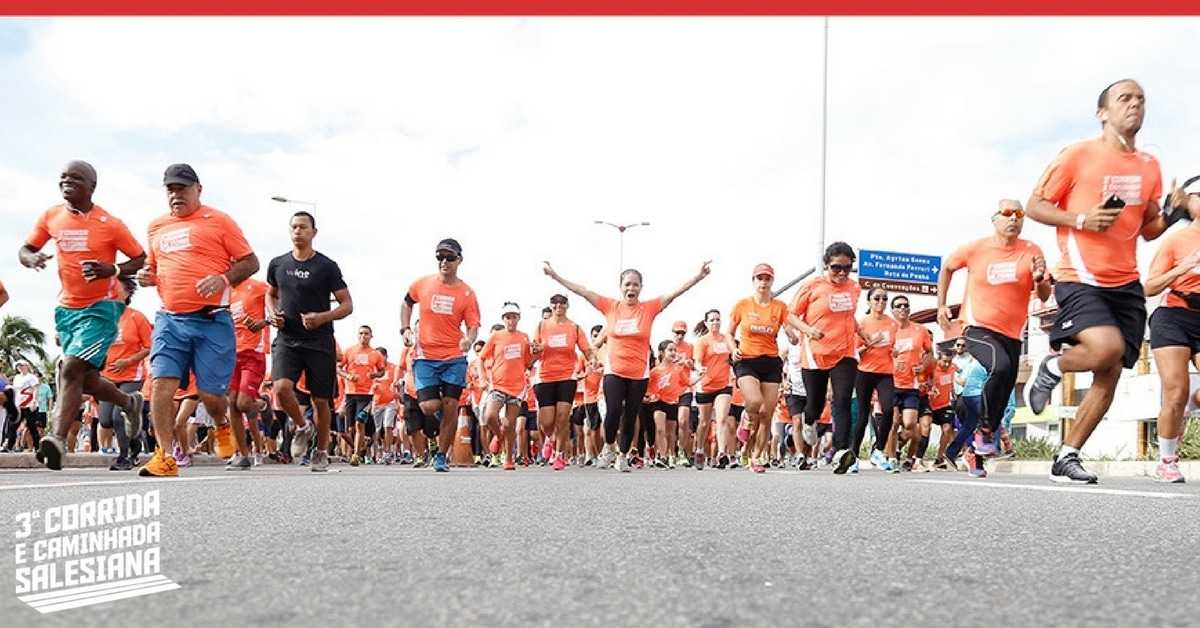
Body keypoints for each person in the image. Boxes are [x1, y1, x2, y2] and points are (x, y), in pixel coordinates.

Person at [1024, 79, 1170, 484]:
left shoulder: (1148, 166)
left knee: (1110, 373)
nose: (1135, 104)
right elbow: (1035, 205)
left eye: (1141, 98)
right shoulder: (1078, 156)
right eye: (1125, 98)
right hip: (1081, 276)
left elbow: (1149, 227)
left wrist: (1174, 213)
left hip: (1126, 281)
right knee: (1107, 348)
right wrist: (1081, 219)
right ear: (1102, 112)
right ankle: (1053, 364)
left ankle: (1067, 456)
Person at [19, 160, 147, 471]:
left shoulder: (110, 224)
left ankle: (57, 441)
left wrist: (112, 269)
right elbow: (25, 248)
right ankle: (129, 403)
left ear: (92, 186)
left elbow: (141, 258)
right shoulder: (52, 216)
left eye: (76, 178)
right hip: (66, 308)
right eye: (63, 176)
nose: (67, 181)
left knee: (70, 368)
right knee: (86, 380)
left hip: (101, 309)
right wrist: (31, 257)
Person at [135, 163, 260, 477]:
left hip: (212, 320)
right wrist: (146, 276)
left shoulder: (219, 221)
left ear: (198, 190)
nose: (176, 194)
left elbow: (251, 262)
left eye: (182, 188)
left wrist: (223, 278)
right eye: (170, 189)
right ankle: (164, 456)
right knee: (162, 385)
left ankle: (220, 424)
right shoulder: (156, 227)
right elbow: (153, 267)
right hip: (169, 320)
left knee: (212, 396)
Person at [544, 260, 710, 472]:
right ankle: (609, 447)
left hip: (638, 374)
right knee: (613, 411)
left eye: (635, 285)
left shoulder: (648, 309)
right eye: (627, 284)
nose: (631, 288)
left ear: (641, 288)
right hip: (614, 370)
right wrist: (556, 276)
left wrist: (697, 277)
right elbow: (583, 291)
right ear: (620, 287)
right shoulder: (610, 306)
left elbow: (673, 294)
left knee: (630, 416)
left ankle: (623, 455)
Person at [936, 199, 1052, 476]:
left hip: (1012, 333)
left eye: (1020, 214)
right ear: (995, 219)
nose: (1014, 218)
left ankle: (974, 453)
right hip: (977, 327)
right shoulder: (975, 248)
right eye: (1008, 213)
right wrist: (941, 304)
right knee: (998, 367)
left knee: (1002, 393)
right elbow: (947, 267)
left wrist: (1039, 279)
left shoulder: (1031, 250)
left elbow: (1045, 295)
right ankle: (986, 431)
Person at [265, 211, 352, 473]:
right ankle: (303, 426)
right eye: (293, 227)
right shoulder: (277, 264)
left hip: (319, 340)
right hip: (287, 339)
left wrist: (322, 317)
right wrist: (273, 314)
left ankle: (322, 451)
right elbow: (271, 295)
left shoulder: (327, 266)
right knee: (280, 388)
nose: (297, 231)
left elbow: (347, 305)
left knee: (320, 400)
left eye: (303, 227)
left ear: (314, 232)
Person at [788, 241, 872, 474]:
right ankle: (808, 420)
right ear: (826, 265)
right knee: (815, 404)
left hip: (845, 352)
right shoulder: (813, 286)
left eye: (847, 268)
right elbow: (791, 315)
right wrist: (808, 331)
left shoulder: (854, 289)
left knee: (842, 400)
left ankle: (843, 450)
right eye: (836, 268)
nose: (842, 273)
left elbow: (847, 317)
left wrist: (860, 331)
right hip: (816, 353)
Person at [400, 238, 482, 473]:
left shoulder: (467, 293)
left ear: (459, 260)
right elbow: (406, 303)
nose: (444, 262)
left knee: (451, 404)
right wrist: (405, 328)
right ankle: (443, 417)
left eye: (449, 257)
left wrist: (469, 339)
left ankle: (440, 456)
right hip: (425, 356)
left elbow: (473, 325)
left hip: (454, 357)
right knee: (428, 406)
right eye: (440, 257)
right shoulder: (423, 284)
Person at [1144, 180, 1200, 483]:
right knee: (1175, 392)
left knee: (1184, 399)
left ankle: (1189, 407)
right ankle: (1167, 461)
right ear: (1187, 204)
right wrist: (1182, 268)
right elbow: (1149, 286)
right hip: (1173, 316)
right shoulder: (1176, 241)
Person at [727, 263, 800, 474]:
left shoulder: (779, 307)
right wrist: (733, 349)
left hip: (770, 362)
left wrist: (792, 336)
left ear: (772, 282)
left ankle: (756, 455)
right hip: (746, 359)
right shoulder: (742, 305)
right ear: (753, 281)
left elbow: (792, 334)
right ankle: (747, 418)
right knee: (755, 403)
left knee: (766, 414)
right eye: (759, 278)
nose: (763, 282)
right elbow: (729, 333)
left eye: (767, 279)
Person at [533, 293, 596, 471]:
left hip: (567, 376)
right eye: (554, 303)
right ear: (550, 306)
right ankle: (549, 438)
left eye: (562, 302)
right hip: (546, 376)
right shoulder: (541, 325)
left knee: (562, 418)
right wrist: (536, 349)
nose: (558, 305)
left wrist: (592, 359)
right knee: (546, 421)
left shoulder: (574, 327)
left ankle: (559, 455)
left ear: (567, 306)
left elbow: (586, 349)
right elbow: (534, 348)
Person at [97, 277, 152, 470]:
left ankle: (124, 456)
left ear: (127, 293)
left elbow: (149, 346)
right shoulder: (103, 317)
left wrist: (129, 361)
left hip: (131, 375)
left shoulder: (136, 317)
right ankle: (135, 441)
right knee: (105, 420)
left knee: (118, 417)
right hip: (106, 376)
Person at [477, 302, 539, 470]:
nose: (511, 320)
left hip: (517, 386)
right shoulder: (496, 336)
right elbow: (481, 358)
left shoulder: (524, 337)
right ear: (503, 319)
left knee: (510, 424)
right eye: (508, 317)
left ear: (518, 318)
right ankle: (498, 436)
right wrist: (482, 379)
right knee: (490, 416)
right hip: (497, 384)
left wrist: (537, 356)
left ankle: (509, 458)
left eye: (514, 317)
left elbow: (527, 363)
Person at [226, 275, 272, 469]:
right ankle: (242, 455)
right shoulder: (225, 292)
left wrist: (266, 321)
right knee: (233, 404)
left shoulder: (259, 286)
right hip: (230, 354)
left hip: (253, 352)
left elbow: (279, 303)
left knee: (243, 403)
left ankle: (262, 404)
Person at [856, 286, 899, 471]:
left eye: (884, 299)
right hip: (864, 371)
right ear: (869, 302)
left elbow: (896, 347)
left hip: (885, 372)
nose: (881, 302)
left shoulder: (892, 324)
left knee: (889, 409)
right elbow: (854, 352)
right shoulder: (862, 323)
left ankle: (879, 449)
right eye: (877, 298)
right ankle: (853, 454)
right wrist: (870, 343)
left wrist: (895, 351)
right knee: (862, 416)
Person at [692, 309, 735, 470]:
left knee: (722, 418)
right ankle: (700, 449)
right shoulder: (702, 342)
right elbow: (697, 361)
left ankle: (722, 453)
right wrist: (699, 368)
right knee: (704, 423)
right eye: (712, 320)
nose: (715, 323)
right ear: (706, 323)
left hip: (724, 385)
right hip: (706, 385)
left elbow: (734, 354)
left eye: (718, 320)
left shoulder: (726, 339)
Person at [340, 325, 386, 466]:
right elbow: (337, 367)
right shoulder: (349, 351)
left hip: (366, 394)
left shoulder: (375, 354)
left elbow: (382, 371)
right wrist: (347, 375)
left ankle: (356, 455)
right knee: (350, 429)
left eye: (366, 334)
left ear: (371, 336)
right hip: (350, 393)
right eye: (361, 333)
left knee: (360, 422)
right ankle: (359, 445)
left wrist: (375, 374)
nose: (363, 336)